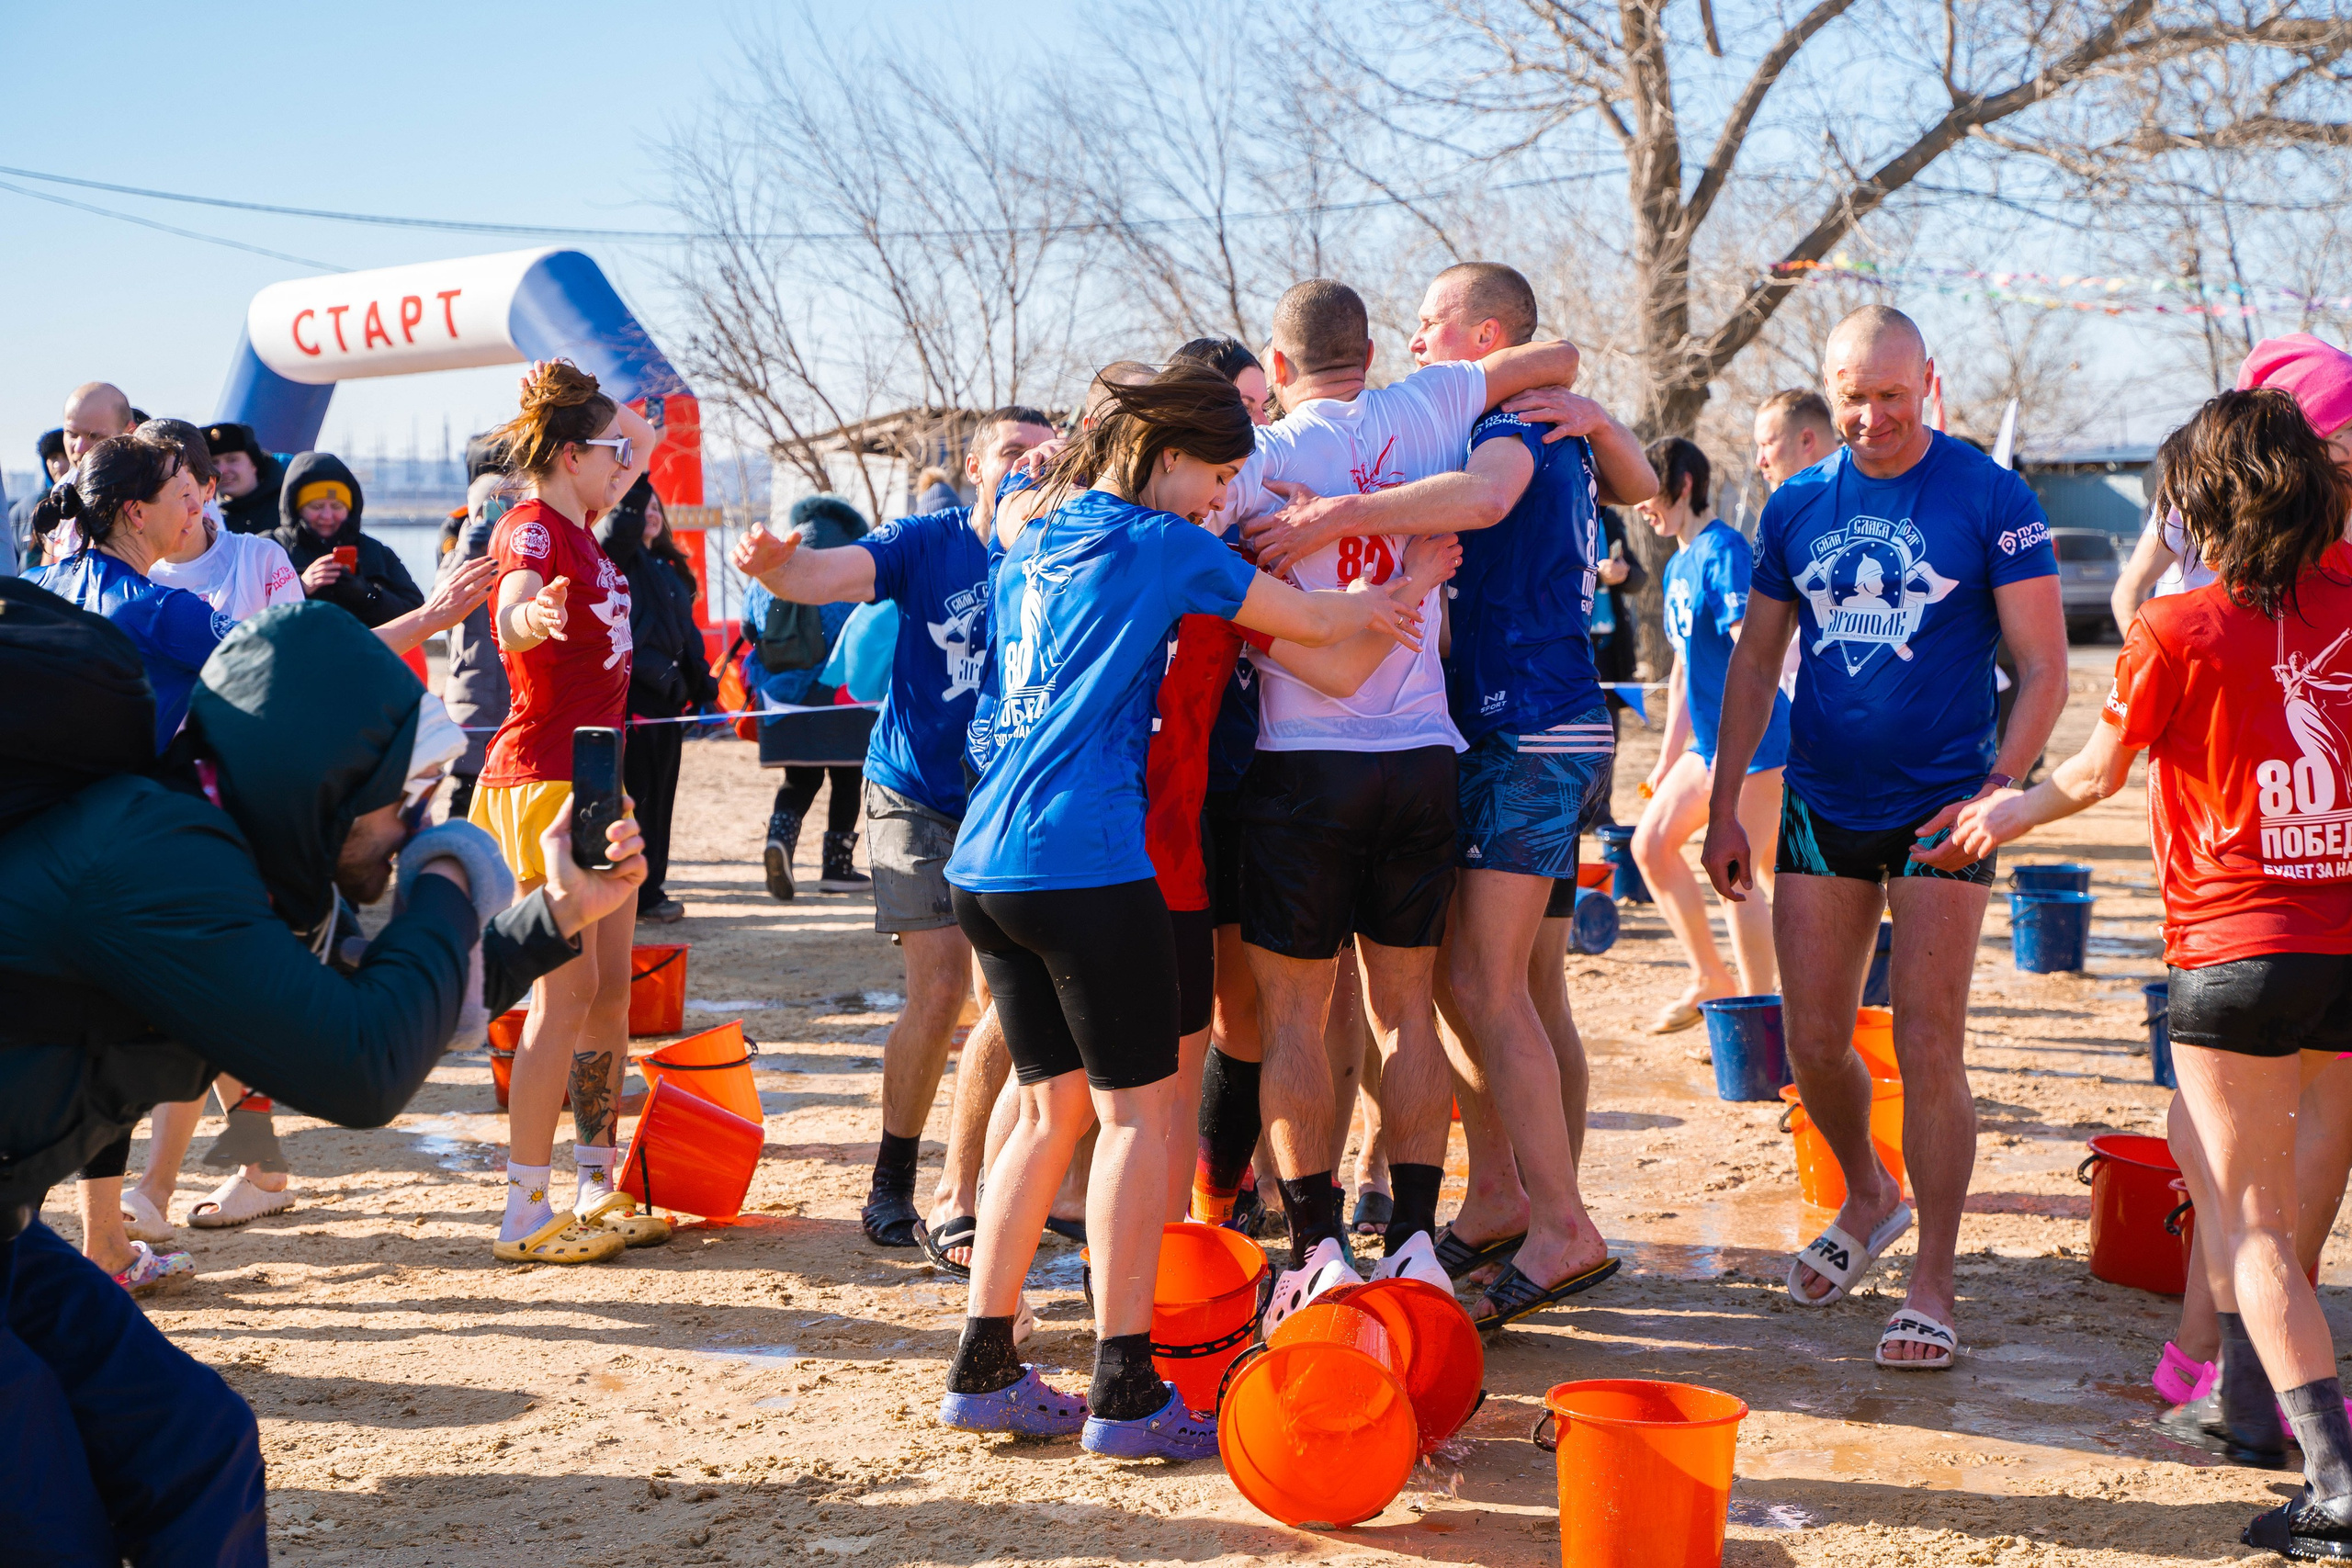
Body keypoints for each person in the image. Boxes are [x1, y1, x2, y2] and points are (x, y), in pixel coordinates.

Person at [0, 592, 649, 1562]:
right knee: (46, 1515)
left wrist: (554, 914)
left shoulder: (225, 854)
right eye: (399, 799)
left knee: (195, 1445)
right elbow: (359, 1069)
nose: (410, 823)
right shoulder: (155, 858)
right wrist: (453, 870)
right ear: (326, 779)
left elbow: (367, 1002)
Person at [935, 360, 1419, 1457]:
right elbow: (1299, 615)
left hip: (986, 865)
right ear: (1162, 460)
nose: (1219, 498)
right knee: (1136, 1121)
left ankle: (983, 1365)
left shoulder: (1035, 542)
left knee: (1048, 1107)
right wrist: (1389, 594)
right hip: (1085, 861)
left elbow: (1018, 521)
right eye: (1214, 475)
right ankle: (1126, 1391)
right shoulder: (1160, 544)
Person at [1943, 389, 2352, 1555]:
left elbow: (2091, 776)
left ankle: (2331, 1482)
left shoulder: (2177, 630)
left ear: (2199, 508)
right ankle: (2235, 1404)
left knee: (2254, 1221)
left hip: (2236, 954)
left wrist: (1996, 816)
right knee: (2232, 1174)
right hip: (2342, 950)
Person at [1251, 263, 1654, 1327]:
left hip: (1525, 723)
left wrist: (1341, 515)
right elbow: (1638, 481)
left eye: (1430, 325)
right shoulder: (1524, 415)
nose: (1415, 344)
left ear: (1480, 336)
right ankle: (1505, 1197)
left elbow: (1482, 499)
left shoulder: (1511, 423)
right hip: (1514, 724)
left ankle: (1556, 1218)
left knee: (1484, 987)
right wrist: (1609, 426)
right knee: (1512, 986)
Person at [1702, 305, 2067, 1369]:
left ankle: (1933, 1278)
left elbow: (2044, 666)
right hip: (1820, 801)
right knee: (1811, 1040)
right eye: (1852, 396)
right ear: (1829, 387)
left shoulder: (1989, 497)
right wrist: (1727, 801)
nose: (1870, 417)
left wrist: (2000, 787)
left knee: (1926, 1042)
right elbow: (1756, 664)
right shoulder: (1796, 504)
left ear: (1928, 386)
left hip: (1944, 807)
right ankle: (1868, 1193)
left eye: (1891, 396)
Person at [732, 407, 1057, 1255]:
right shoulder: (931, 539)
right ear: (978, 465)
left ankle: (983, 1180)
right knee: (941, 987)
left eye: (1043, 454)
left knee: (1005, 1000)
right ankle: (892, 1177)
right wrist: (778, 569)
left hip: (1004, 794)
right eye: (1012, 453)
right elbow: (833, 576)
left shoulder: (1062, 539)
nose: (1028, 466)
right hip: (912, 790)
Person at [470, 358, 662, 1265]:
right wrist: (525, 623)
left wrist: (572, 398)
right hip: (544, 776)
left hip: (597, 776)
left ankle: (595, 1181)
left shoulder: (588, 521)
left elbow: (646, 435)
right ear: (577, 455)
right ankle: (524, 1206)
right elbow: (511, 604)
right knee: (566, 992)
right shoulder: (535, 525)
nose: (633, 462)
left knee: (614, 987)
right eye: (612, 452)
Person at [1632, 436, 1792, 1030]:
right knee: (1650, 845)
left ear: (1684, 483)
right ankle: (1710, 977)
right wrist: (1666, 759)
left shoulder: (1724, 550)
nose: (1639, 505)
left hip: (1757, 743)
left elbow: (1753, 649)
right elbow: (1681, 673)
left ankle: (1758, 1017)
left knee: (1741, 876)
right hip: (1707, 746)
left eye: (1647, 489)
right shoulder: (1677, 563)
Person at [2112, 336, 2352, 631]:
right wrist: (2150, 663)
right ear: (2306, 434)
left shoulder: (2335, 502)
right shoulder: (2201, 493)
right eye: (2350, 426)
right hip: (2199, 663)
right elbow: (2129, 592)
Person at [600, 476, 714, 923]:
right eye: (641, 506)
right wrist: (638, 476)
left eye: (655, 506)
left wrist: (702, 685)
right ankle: (636, 893)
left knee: (662, 801)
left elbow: (687, 638)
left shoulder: (668, 569)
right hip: (634, 700)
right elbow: (618, 531)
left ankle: (652, 888)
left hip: (670, 703)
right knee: (638, 798)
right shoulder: (619, 559)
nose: (650, 512)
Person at [747, 494, 873, 899]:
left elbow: (750, 629)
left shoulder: (774, 566)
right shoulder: (847, 570)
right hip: (839, 695)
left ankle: (778, 842)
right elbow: (867, 632)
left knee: (799, 778)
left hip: (781, 698)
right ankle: (837, 867)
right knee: (847, 777)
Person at [270, 451, 425, 629]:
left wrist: (367, 594)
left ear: (350, 509)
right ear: (296, 507)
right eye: (316, 506)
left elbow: (417, 613)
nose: (327, 516)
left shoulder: (376, 552)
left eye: (337, 506)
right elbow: (245, 612)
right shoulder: (270, 548)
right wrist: (298, 587)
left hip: (360, 655)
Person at [442, 470, 516, 823]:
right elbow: (436, 605)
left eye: (504, 508)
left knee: (511, 804)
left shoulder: (523, 555)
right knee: (466, 799)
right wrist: (470, 550)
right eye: (484, 511)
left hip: (515, 697)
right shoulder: (456, 556)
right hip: (470, 698)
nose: (493, 518)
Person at [202, 421, 288, 536]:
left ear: (254, 464)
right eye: (214, 462)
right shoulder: (209, 517)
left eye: (232, 460)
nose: (222, 470)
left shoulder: (288, 507)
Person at [1753, 387, 1839, 492]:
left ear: (1806, 441)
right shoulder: (1790, 505)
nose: (1759, 461)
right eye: (1759, 446)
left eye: (1767, 444)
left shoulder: (1858, 498)